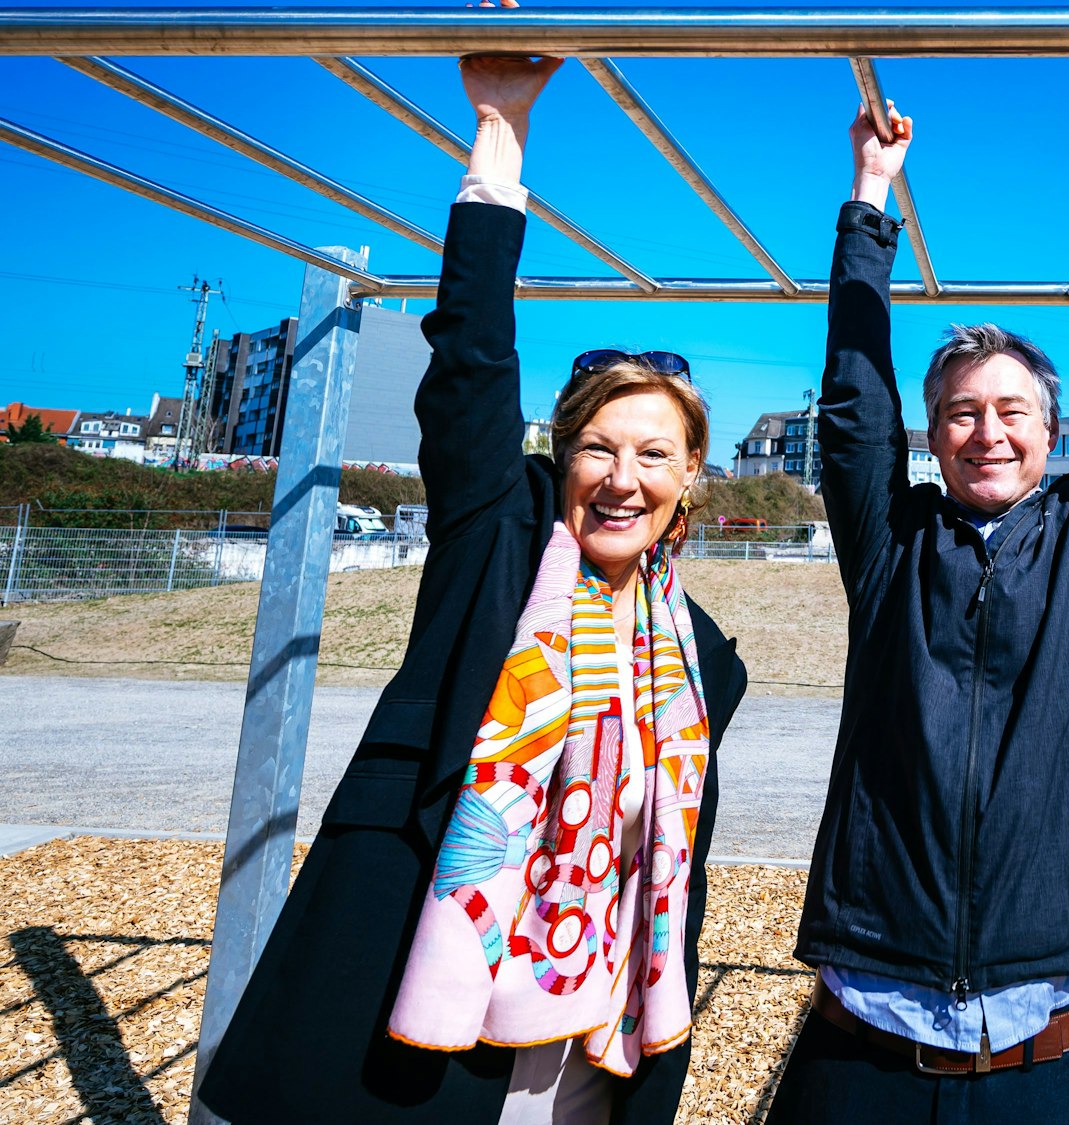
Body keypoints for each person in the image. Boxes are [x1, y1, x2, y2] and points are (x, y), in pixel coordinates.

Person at [199, 49, 747, 1125]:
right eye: (597, 448)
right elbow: (471, 366)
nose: (621, 478)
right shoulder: (495, 543)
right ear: (561, 455)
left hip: (597, 1013)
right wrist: (499, 131)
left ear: (690, 478)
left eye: (652, 455)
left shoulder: (704, 653)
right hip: (435, 970)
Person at [762, 96, 1069, 1124]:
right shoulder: (889, 545)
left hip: (1045, 1042)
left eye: (1010, 412)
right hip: (865, 1032)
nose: (985, 432)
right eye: (959, 411)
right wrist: (869, 200)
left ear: (1051, 434)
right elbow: (853, 406)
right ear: (934, 435)